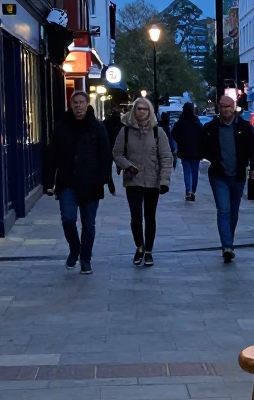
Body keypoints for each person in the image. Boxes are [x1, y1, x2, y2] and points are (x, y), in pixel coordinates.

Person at [43, 90, 114, 274]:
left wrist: (103, 179)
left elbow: (105, 156)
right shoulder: (61, 127)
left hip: (91, 182)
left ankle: (85, 258)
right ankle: (75, 248)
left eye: (81, 102)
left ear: (87, 104)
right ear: (70, 105)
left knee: (88, 224)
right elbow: (52, 156)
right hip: (67, 181)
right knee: (68, 219)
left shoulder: (97, 128)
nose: (78, 106)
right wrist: (48, 182)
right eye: (75, 102)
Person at [112, 96, 173, 267]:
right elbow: (117, 153)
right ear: (134, 111)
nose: (141, 112)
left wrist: (165, 180)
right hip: (133, 179)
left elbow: (166, 157)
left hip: (153, 180)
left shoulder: (157, 132)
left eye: (145, 109)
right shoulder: (125, 132)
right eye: (138, 109)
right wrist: (127, 166)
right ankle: (139, 245)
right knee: (136, 216)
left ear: (150, 111)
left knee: (150, 216)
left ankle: (149, 251)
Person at [200, 95, 254, 264]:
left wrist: (253, 167)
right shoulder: (211, 127)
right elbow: (201, 147)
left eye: (228, 106)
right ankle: (227, 246)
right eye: (222, 106)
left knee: (233, 212)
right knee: (223, 210)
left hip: (238, 175)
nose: (225, 109)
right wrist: (212, 159)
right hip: (219, 175)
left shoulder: (244, 127)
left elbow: (253, 149)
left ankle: (229, 243)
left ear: (234, 107)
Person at [171, 102, 203, 201]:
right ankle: (193, 191)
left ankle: (188, 190)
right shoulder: (197, 123)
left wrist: (180, 143)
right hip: (196, 150)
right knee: (194, 171)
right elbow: (202, 137)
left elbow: (174, 134)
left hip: (184, 150)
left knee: (187, 171)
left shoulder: (179, 123)